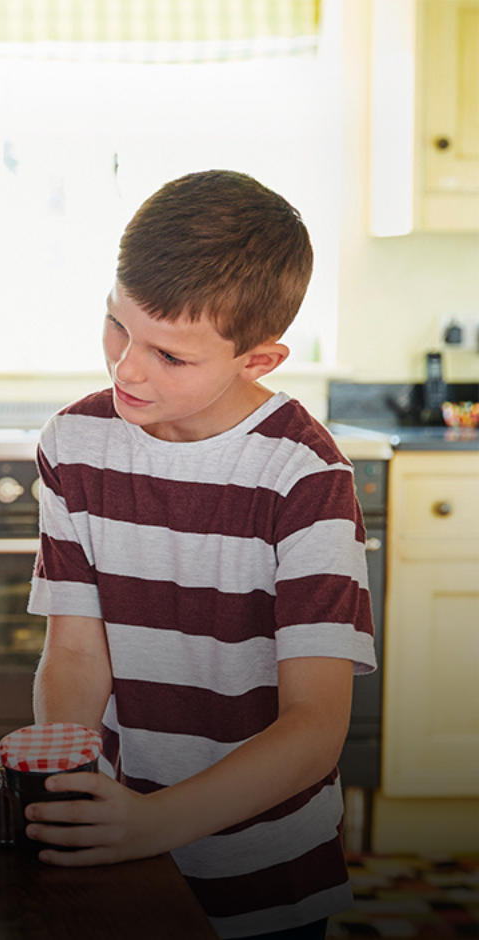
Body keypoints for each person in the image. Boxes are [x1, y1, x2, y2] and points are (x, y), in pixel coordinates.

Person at [19, 170, 375, 939]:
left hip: (265, 869)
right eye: (118, 326)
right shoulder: (75, 444)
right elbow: (77, 655)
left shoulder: (304, 477)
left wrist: (157, 823)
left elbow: (314, 725)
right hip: (122, 841)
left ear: (260, 360)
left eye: (171, 357)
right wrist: (66, 786)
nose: (126, 369)